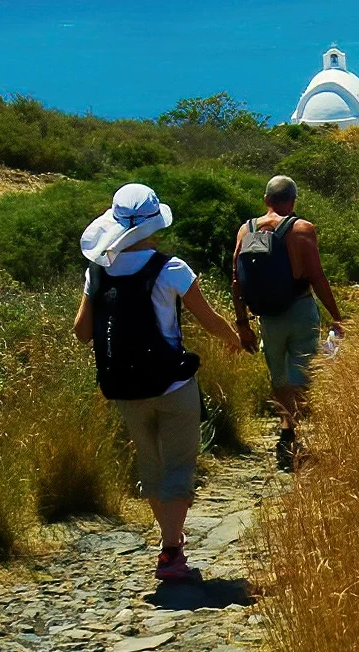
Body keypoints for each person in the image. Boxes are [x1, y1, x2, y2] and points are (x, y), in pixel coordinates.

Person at [72, 183, 242, 584]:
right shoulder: (172, 268)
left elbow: (82, 332)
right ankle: (171, 550)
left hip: (127, 387)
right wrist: (233, 338)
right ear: (154, 224)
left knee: (151, 466)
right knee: (180, 467)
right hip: (174, 385)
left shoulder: (97, 271)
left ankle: (170, 543)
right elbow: (208, 319)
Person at [231, 175, 345, 471]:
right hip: (298, 309)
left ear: (266, 200)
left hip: (267, 316)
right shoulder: (301, 229)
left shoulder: (248, 230)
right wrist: (336, 316)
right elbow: (317, 276)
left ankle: (287, 427)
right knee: (301, 375)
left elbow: (236, 280)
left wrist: (242, 323)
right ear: (293, 201)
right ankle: (288, 432)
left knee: (279, 376)